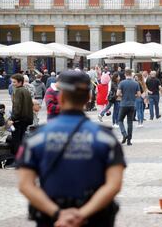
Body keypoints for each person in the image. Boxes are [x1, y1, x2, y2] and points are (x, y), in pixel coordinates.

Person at [17, 70, 126, 227]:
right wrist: (82, 213)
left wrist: (57, 213)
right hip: (94, 218)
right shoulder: (106, 139)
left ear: (60, 97)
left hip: (51, 217)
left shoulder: (36, 138)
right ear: (88, 98)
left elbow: (25, 184)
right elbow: (114, 185)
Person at [8, 74, 33, 155]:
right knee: (21, 139)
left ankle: (16, 160)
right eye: (12, 82)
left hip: (18, 120)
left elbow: (17, 108)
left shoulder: (18, 91)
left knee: (16, 140)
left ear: (20, 82)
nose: (13, 84)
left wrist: (12, 119)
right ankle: (21, 158)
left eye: (14, 82)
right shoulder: (26, 90)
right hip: (25, 119)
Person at [117, 69, 141, 146]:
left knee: (120, 120)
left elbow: (118, 93)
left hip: (123, 104)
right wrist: (133, 96)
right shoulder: (135, 83)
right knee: (130, 122)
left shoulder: (122, 83)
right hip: (132, 105)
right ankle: (129, 141)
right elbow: (139, 95)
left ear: (125, 74)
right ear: (131, 74)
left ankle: (124, 134)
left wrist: (123, 95)